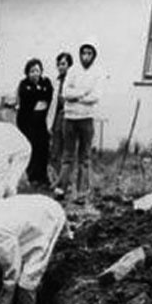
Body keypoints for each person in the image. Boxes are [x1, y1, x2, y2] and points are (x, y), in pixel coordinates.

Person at [54, 40, 101, 203]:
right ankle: (61, 188)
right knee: (67, 156)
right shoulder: (73, 70)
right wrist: (82, 94)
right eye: (83, 53)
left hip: (86, 119)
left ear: (93, 55)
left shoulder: (97, 73)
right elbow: (66, 92)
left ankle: (81, 193)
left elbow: (95, 96)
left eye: (89, 53)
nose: (85, 56)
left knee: (84, 157)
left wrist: (77, 96)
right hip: (70, 118)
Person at [16, 58, 53, 187]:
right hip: (27, 122)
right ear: (27, 73)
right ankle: (31, 177)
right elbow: (27, 97)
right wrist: (38, 95)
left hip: (42, 123)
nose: (35, 74)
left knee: (43, 149)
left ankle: (42, 177)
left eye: (37, 70)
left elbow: (48, 95)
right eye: (32, 71)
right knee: (30, 148)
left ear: (41, 71)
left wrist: (38, 95)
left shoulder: (46, 82)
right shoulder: (23, 84)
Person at [50, 51, 73, 173]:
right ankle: (55, 177)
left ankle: (66, 180)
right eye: (59, 64)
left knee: (68, 149)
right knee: (55, 148)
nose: (60, 67)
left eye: (63, 64)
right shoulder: (56, 81)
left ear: (69, 66)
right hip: (57, 116)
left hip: (69, 115)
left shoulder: (73, 81)